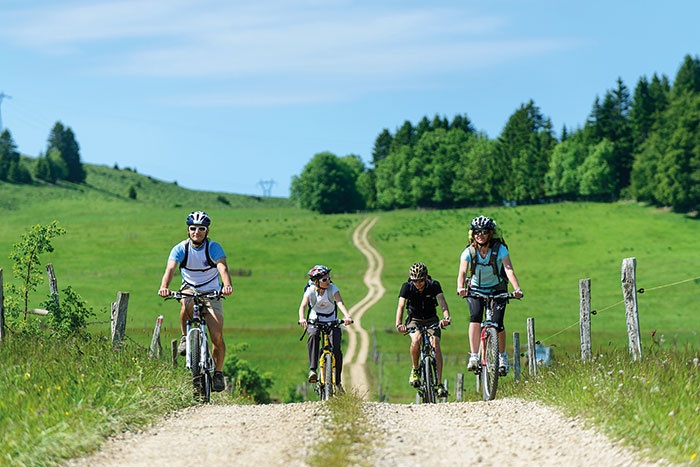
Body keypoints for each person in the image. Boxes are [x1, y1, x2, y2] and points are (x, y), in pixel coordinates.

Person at [158, 211, 234, 393]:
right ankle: (186, 336)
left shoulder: (213, 248)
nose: (196, 232)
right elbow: (170, 269)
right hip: (189, 287)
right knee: (186, 301)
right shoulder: (180, 249)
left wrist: (227, 285)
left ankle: (217, 372)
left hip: (211, 291)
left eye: (201, 229)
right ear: (188, 230)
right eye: (193, 228)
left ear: (207, 231)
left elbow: (222, 267)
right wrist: (164, 286)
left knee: (216, 336)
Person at [457, 215, 523, 376]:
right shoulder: (469, 252)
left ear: (490, 233)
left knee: (498, 322)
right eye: (477, 231)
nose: (480, 235)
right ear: (472, 234)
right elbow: (462, 271)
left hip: (497, 289)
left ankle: (502, 357)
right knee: (475, 317)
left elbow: (508, 269)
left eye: (484, 231)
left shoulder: (500, 249)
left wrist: (517, 288)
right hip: (475, 289)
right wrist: (460, 287)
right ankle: (474, 356)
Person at [395, 262, 452, 398]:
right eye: (415, 281)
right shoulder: (406, 287)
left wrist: (446, 318)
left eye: (421, 280)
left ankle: (438, 383)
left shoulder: (434, 285)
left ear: (426, 278)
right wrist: (399, 324)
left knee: (435, 344)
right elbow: (401, 306)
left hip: (431, 319)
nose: (418, 283)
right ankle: (415, 370)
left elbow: (443, 302)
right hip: (414, 319)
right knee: (416, 339)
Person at [298, 265, 353, 391]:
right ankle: (312, 370)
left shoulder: (332, 288)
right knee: (313, 335)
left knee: (337, 349)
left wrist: (347, 316)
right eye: (324, 279)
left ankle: (338, 383)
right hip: (315, 319)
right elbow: (303, 306)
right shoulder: (310, 290)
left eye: (329, 278)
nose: (328, 281)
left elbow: (340, 303)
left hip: (331, 320)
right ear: (316, 282)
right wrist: (302, 318)